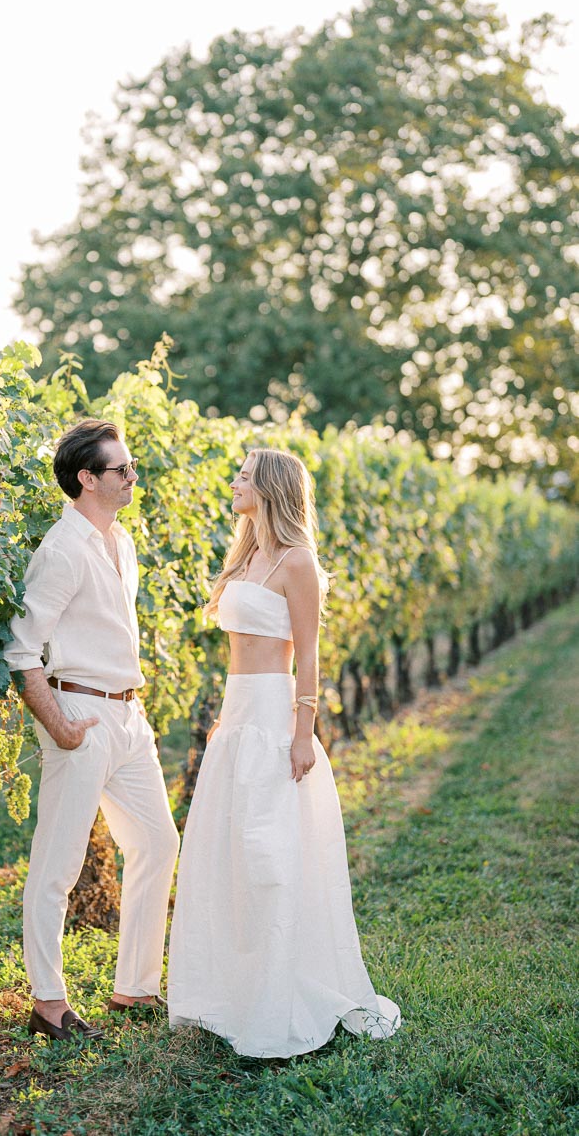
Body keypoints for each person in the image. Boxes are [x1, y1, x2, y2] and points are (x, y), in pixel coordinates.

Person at [168, 448, 401, 1058]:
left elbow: (308, 652)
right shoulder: (245, 557)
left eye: (243, 475)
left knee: (270, 853)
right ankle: (233, 990)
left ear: (269, 486)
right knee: (229, 854)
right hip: (238, 716)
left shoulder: (299, 562)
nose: (234, 482)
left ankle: (280, 997)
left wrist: (304, 729)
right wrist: (223, 720)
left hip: (275, 715)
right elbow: (236, 653)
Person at [4, 418, 180, 1042]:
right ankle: (48, 1003)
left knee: (158, 843)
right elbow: (21, 652)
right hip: (80, 714)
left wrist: (130, 710)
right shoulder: (61, 550)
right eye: (122, 470)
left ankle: (134, 988)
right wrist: (62, 726)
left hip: (129, 717)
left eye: (132, 468)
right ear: (86, 479)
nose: (133, 477)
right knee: (58, 866)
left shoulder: (122, 543)